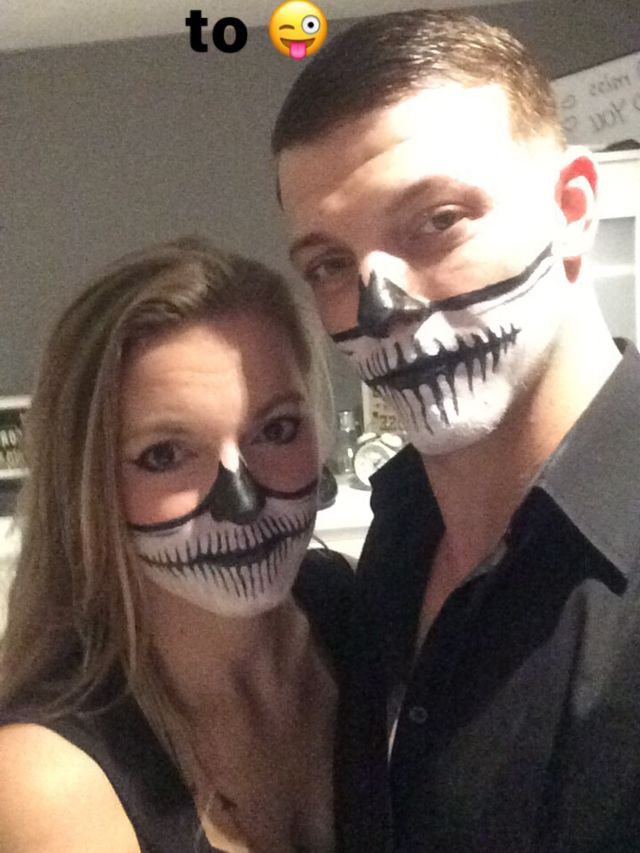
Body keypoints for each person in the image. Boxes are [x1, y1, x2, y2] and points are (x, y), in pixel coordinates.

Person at [272, 10, 640, 852]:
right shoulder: (399, 530)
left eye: (437, 220)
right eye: (329, 264)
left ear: (573, 209)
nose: (378, 308)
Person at [0, 237, 352, 853]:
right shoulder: (47, 780)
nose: (243, 502)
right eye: (164, 455)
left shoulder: (359, 615)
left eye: (277, 429)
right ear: (89, 490)